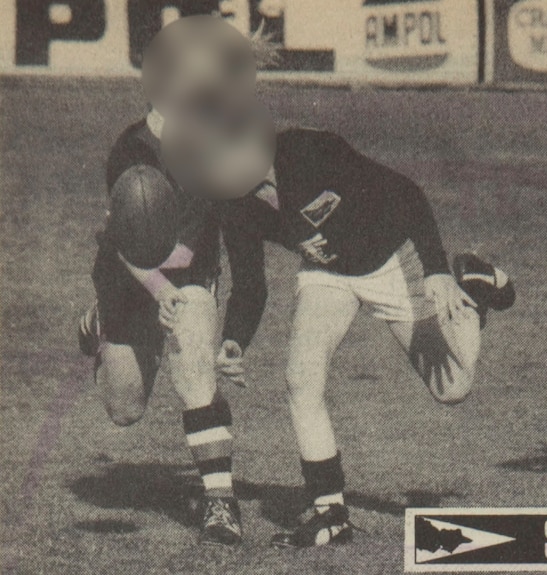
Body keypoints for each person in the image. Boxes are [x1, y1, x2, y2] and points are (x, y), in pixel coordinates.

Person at [214, 128, 515, 548]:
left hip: (392, 258)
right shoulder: (233, 200)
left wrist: (436, 268)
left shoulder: (309, 150)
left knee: (453, 388)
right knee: (301, 378)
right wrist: (234, 340)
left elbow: (404, 192)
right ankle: (330, 513)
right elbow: (249, 284)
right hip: (327, 273)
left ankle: (474, 290)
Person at [76, 15, 269, 546]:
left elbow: (248, 262)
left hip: (189, 279)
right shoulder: (135, 149)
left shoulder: (227, 149)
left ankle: (219, 502)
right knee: (124, 410)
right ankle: (99, 332)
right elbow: (123, 242)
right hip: (128, 276)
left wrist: (233, 337)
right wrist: (159, 293)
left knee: (194, 372)